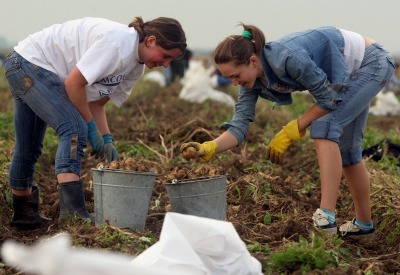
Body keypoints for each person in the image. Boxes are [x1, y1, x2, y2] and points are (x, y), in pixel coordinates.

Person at [180, 23, 395, 239]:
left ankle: (326, 218)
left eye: (236, 76)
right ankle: (364, 226)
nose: (235, 83)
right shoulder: (251, 81)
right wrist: (211, 146)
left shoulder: (288, 58)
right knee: (348, 153)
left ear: (253, 61)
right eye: (230, 79)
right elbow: (240, 126)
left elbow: (328, 99)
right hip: (348, 75)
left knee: (324, 126)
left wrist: (295, 127)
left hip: (371, 62)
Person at [4, 16, 187, 229]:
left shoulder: (135, 68)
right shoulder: (117, 43)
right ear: (150, 40)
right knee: (73, 129)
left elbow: (97, 104)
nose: (165, 65)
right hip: (30, 64)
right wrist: (90, 128)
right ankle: (72, 214)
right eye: (165, 56)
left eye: (169, 61)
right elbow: (74, 84)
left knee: (29, 146)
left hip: (26, 66)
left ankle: (24, 214)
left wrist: (106, 138)